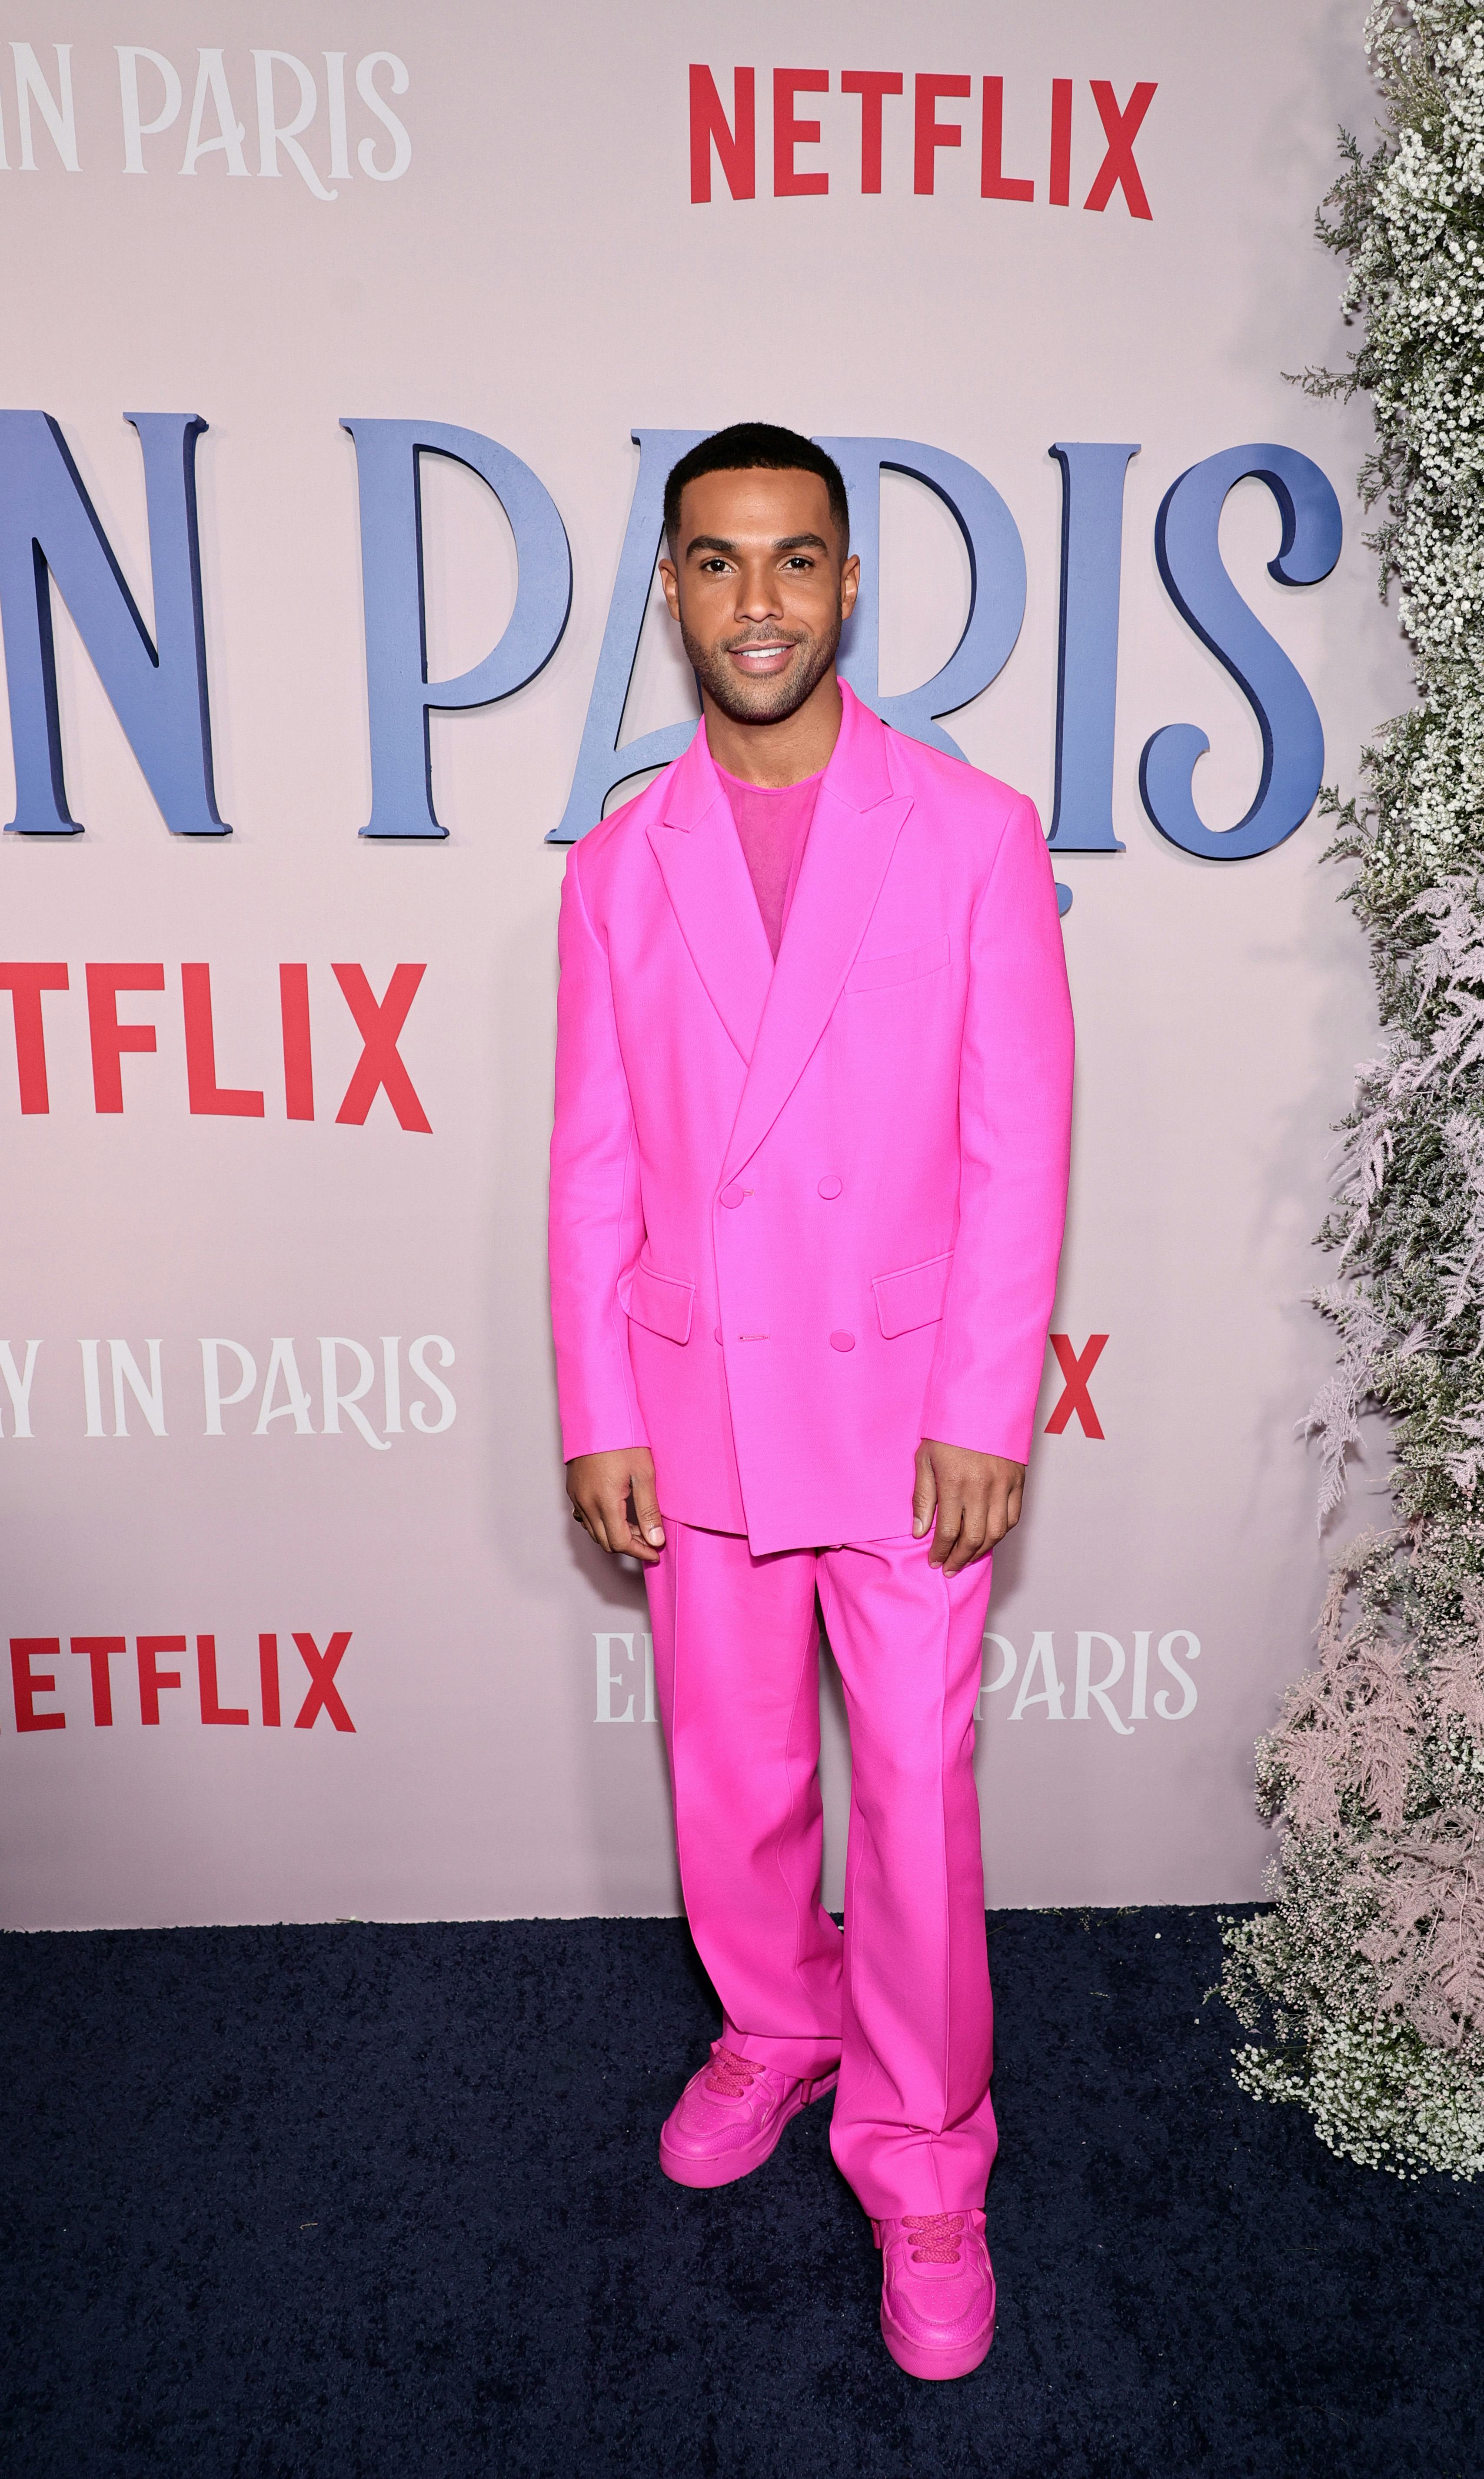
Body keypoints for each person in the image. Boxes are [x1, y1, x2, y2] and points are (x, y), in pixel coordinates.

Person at [548, 423, 1073, 2382]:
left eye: (793, 561)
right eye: (716, 561)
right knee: (737, 1763)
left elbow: (1020, 1151)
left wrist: (985, 1411)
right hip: (699, 1407)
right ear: (670, 591)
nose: (756, 600)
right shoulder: (622, 866)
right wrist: (601, 1402)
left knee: (919, 1792)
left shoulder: (969, 833)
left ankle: (927, 2143)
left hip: (907, 1413)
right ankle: (776, 2019)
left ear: (849, 587)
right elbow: (594, 1161)